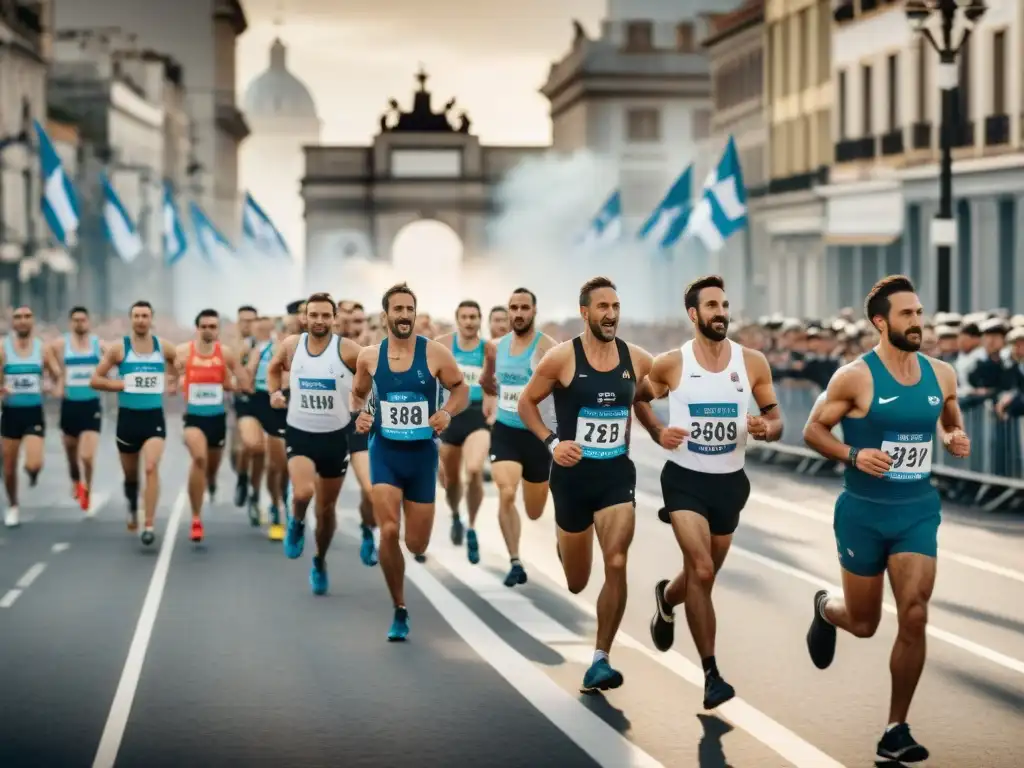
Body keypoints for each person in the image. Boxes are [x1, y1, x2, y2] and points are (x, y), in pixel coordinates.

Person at [802, 275, 970, 764]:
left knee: (914, 612)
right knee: (864, 622)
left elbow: (950, 417)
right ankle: (826, 609)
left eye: (920, 313)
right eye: (907, 314)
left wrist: (955, 437)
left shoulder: (942, 374)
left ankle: (896, 727)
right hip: (862, 513)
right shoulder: (855, 376)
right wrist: (853, 455)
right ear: (880, 321)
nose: (918, 322)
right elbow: (814, 430)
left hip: (917, 510)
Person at [634, 274, 783, 710]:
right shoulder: (671, 363)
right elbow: (637, 397)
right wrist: (659, 431)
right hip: (685, 480)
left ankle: (665, 598)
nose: (721, 312)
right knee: (701, 569)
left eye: (724, 304)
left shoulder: (752, 362)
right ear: (693, 314)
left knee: (703, 574)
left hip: (730, 484)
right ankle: (712, 674)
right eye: (712, 306)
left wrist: (765, 428)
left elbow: (775, 420)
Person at [519, 277, 654, 692]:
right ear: (585, 312)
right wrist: (552, 443)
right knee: (578, 579)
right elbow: (526, 403)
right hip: (572, 479)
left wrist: (661, 429)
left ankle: (600, 658)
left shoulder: (636, 357)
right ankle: (566, 542)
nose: (611, 314)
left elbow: (648, 393)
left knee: (616, 561)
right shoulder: (560, 359)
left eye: (615, 306)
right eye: (602, 307)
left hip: (616, 475)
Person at [353, 283, 469, 641]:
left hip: (421, 457)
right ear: (385, 314)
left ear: (415, 314)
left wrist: (447, 413)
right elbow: (358, 394)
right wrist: (362, 416)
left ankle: (408, 557)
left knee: (416, 544)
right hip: (384, 452)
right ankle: (399, 607)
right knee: (388, 530)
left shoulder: (434, 354)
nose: (404, 315)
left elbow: (461, 389)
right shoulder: (369, 357)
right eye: (398, 309)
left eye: (410, 309)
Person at [268, 293, 360, 595]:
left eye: (325, 315)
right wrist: (274, 393)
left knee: (326, 510)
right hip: (300, 431)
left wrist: (364, 404)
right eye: (314, 315)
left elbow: (374, 372)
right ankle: (295, 521)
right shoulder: (292, 346)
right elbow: (272, 369)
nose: (319, 321)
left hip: (335, 437)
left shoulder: (347, 349)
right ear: (304, 318)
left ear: (334, 318)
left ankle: (319, 560)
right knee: (304, 492)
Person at [480, 287, 557, 588]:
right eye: (514, 308)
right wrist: (489, 381)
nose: (519, 313)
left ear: (534, 311)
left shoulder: (547, 347)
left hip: (537, 435)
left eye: (525, 308)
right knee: (506, 492)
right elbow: (488, 384)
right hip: (506, 431)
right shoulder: (496, 347)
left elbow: (563, 386)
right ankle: (514, 560)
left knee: (535, 512)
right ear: (508, 311)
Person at [91, 300, 178, 544]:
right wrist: (120, 384)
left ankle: (148, 523)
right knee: (131, 475)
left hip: (153, 418)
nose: (141, 320)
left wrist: (173, 380)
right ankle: (131, 500)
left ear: (152, 319)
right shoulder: (119, 349)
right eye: (137, 316)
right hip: (128, 418)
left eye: (145, 316)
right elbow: (95, 379)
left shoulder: (164, 347)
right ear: (131, 319)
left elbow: (177, 364)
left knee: (151, 466)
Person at [176, 309, 249, 543]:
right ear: (197, 328)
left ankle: (212, 481)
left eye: (212, 326)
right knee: (198, 458)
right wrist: (173, 381)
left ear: (217, 329)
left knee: (210, 467)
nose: (208, 330)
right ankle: (196, 518)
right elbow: (168, 370)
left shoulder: (225, 353)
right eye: (204, 326)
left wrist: (238, 384)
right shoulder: (184, 352)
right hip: (193, 419)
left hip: (217, 419)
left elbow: (240, 380)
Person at [434, 300, 494, 563]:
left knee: (473, 470)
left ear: (480, 320)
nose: (469, 321)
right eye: (465, 317)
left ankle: (471, 527)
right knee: (450, 480)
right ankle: (456, 515)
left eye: (474, 317)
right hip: (450, 415)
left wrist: (494, 410)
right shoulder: (443, 346)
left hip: (477, 416)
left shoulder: (488, 349)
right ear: (457, 320)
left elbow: (495, 384)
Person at [0, 306, 60, 528]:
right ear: (13, 323)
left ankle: (32, 473)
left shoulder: (42, 349)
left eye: (27, 317)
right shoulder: (3, 348)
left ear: (32, 321)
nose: (22, 321)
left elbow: (56, 374)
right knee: (8, 467)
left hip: (33, 412)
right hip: (11, 413)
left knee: (34, 463)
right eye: (18, 317)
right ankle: (13, 505)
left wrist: (53, 386)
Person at [49, 306, 105, 515]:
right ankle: (76, 480)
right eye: (75, 320)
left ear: (88, 322)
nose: (79, 323)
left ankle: (87, 488)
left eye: (83, 320)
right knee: (71, 452)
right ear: (70, 323)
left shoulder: (98, 344)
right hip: (70, 405)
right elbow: (46, 353)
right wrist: (58, 376)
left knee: (87, 456)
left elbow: (114, 357)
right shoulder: (62, 344)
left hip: (91, 404)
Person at [338, 301, 379, 566]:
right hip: (329, 425)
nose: (356, 327)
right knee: (322, 500)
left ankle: (367, 528)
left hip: (360, 425)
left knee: (371, 490)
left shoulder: (373, 350)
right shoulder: (332, 348)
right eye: (350, 321)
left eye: (360, 321)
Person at [247, 315, 288, 541]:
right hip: (270, 405)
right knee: (276, 465)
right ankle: (275, 506)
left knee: (292, 467)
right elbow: (249, 376)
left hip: (297, 407)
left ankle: (287, 505)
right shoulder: (264, 350)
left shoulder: (305, 350)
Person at [230, 305, 258, 505]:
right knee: (239, 451)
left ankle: (255, 492)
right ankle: (241, 477)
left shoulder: (265, 344)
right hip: (238, 402)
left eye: (251, 320)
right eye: (244, 320)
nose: (247, 324)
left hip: (261, 401)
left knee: (257, 449)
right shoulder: (231, 346)